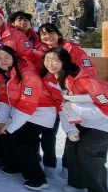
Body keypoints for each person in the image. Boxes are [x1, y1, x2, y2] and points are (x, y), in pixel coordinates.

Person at [41, 47, 108, 192]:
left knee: (89, 150)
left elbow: (107, 109)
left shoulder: (87, 81)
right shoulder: (59, 80)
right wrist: (71, 129)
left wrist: (74, 107)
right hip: (87, 121)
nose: (50, 64)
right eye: (47, 60)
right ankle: (77, 183)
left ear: (65, 62)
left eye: (55, 60)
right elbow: (64, 109)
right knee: (73, 144)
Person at [0, 45, 57, 191]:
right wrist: (1, 122)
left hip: (42, 113)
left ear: (14, 56)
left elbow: (28, 105)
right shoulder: (4, 75)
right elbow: (4, 100)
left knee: (18, 138)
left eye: (7, 57)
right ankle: (15, 165)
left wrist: (10, 127)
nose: (3, 61)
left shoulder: (28, 75)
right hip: (23, 112)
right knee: (7, 135)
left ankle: (37, 178)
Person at [34, 22, 97, 177]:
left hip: (72, 98)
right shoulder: (39, 53)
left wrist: (68, 77)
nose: (47, 36)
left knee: (74, 132)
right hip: (51, 98)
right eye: (43, 34)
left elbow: (89, 70)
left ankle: (69, 166)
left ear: (59, 34)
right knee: (49, 132)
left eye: (51, 33)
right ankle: (49, 164)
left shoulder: (73, 50)